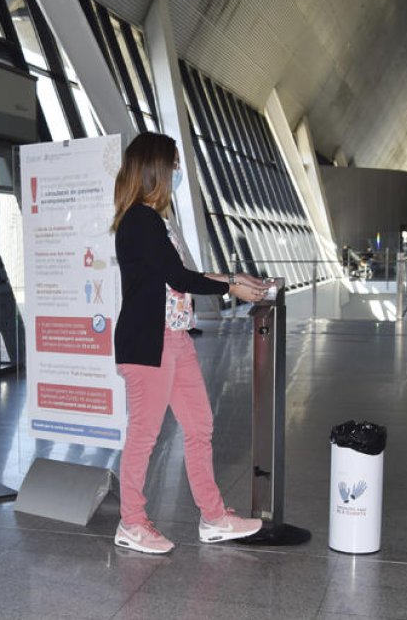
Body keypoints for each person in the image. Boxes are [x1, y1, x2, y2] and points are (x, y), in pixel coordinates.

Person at [110, 132, 268, 555]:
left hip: (174, 339)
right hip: (148, 345)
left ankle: (214, 517)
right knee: (144, 435)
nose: (178, 173)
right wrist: (233, 285)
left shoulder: (155, 220)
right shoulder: (139, 220)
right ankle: (131, 522)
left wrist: (238, 279)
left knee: (200, 427)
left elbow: (180, 275)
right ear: (155, 169)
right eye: (174, 166)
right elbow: (180, 279)